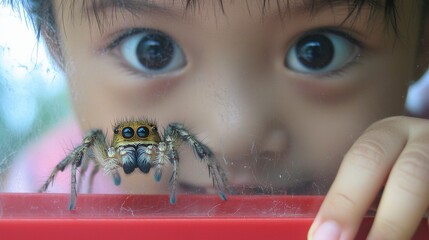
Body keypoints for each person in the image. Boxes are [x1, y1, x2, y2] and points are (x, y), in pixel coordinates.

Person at [3, 0, 429, 239]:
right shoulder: (34, 196)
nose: (235, 134)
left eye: (316, 50)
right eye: (153, 49)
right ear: (55, 47)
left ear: (423, 44)